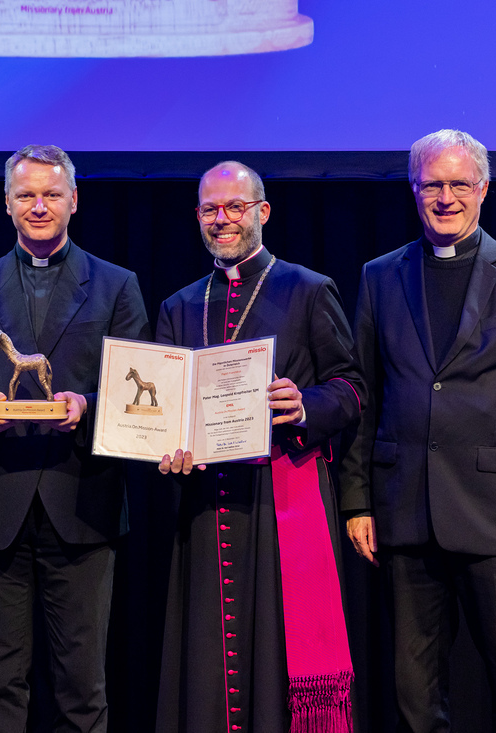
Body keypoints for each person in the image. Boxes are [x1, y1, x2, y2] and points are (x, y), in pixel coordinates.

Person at [340, 129, 496, 733]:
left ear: (484, 189)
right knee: (415, 700)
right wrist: (358, 499)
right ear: (414, 191)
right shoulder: (380, 276)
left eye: (458, 184)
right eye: (432, 185)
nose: (445, 197)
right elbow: (366, 396)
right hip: (406, 515)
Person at [0, 144, 150, 732]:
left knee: (83, 689)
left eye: (51, 194)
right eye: (26, 195)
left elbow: (139, 397)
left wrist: (89, 406)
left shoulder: (116, 285)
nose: (38, 206)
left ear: (73, 200)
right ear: (6, 205)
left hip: (81, 503)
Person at [156, 161, 363, 733]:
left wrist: (305, 406)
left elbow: (351, 388)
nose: (221, 220)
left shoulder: (308, 289)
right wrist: (165, 446)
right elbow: (162, 411)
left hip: (282, 501)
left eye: (234, 207)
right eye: (209, 210)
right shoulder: (179, 306)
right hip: (204, 509)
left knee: (277, 653)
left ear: (262, 212)